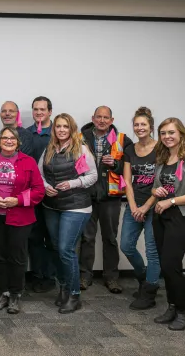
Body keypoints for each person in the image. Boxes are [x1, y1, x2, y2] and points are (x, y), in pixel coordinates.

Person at [0, 126, 44, 314]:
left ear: (18, 142)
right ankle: (2, 292)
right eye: (5, 138)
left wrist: (17, 200)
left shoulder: (28, 162)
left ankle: (15, 295)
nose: (9, 141)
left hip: (20, 217)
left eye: (12, 138)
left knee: (17, 257)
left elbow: (38, 191)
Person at [150, 118, 185, 331]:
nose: (167, 136)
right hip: (161, 216)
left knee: (170, 264)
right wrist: (156, 192)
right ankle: (173, 306)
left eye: (171, 132)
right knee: (166, 266)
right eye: (163, 133)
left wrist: (171, 200)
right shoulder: (163, 157)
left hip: (182, 218)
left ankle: (184, 311)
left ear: (181, 134)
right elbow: (155, 188)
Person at [38, 113, 97, 314]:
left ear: (72, 129)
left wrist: (72, 183)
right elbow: (39, 174)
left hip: (76, 206)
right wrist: (45, 186)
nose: (61, 130)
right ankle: (63, 287)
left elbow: (92, 176)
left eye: (65, 126)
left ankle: (74, 294)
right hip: (52, 206)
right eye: (58, 127)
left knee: (66, 249)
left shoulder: (81, 149)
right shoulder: (49, 149)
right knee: (55, 248)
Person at [78, 106, 133, 293]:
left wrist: (116, 165)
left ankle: (111, 278)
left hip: (111, 197)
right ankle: (84, 277)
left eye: (106, 117)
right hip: (86, 196)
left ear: (111, 120)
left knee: (110, 238)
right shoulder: (80, 138)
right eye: (99, 117)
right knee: (86, 238)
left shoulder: (123, 140)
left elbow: (130, 168)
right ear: (93, 118)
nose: (102, 120)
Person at [121, 107, 160, 310]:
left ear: (151, 127)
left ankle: (149, 293)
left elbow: (162, 181)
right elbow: (127, 181)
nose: (139, 127)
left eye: (143, 124)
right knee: (126, 245)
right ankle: (145, 279)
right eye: (136, 124)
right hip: (134, 205)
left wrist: (146, 206)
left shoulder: (160, 148)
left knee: (152, 252)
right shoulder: (130, 150)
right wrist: (134, 205)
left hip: (155, 206)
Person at [26, 96, 57, 293]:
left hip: (54, 194)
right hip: (31, 194)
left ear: (50, 111)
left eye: (42, 109)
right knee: (34, 237)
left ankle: (51, 276)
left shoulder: (59, 132)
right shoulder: (27, 134)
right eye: (35, 109)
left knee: (53, 238)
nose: (39, 112)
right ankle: (37, 275)